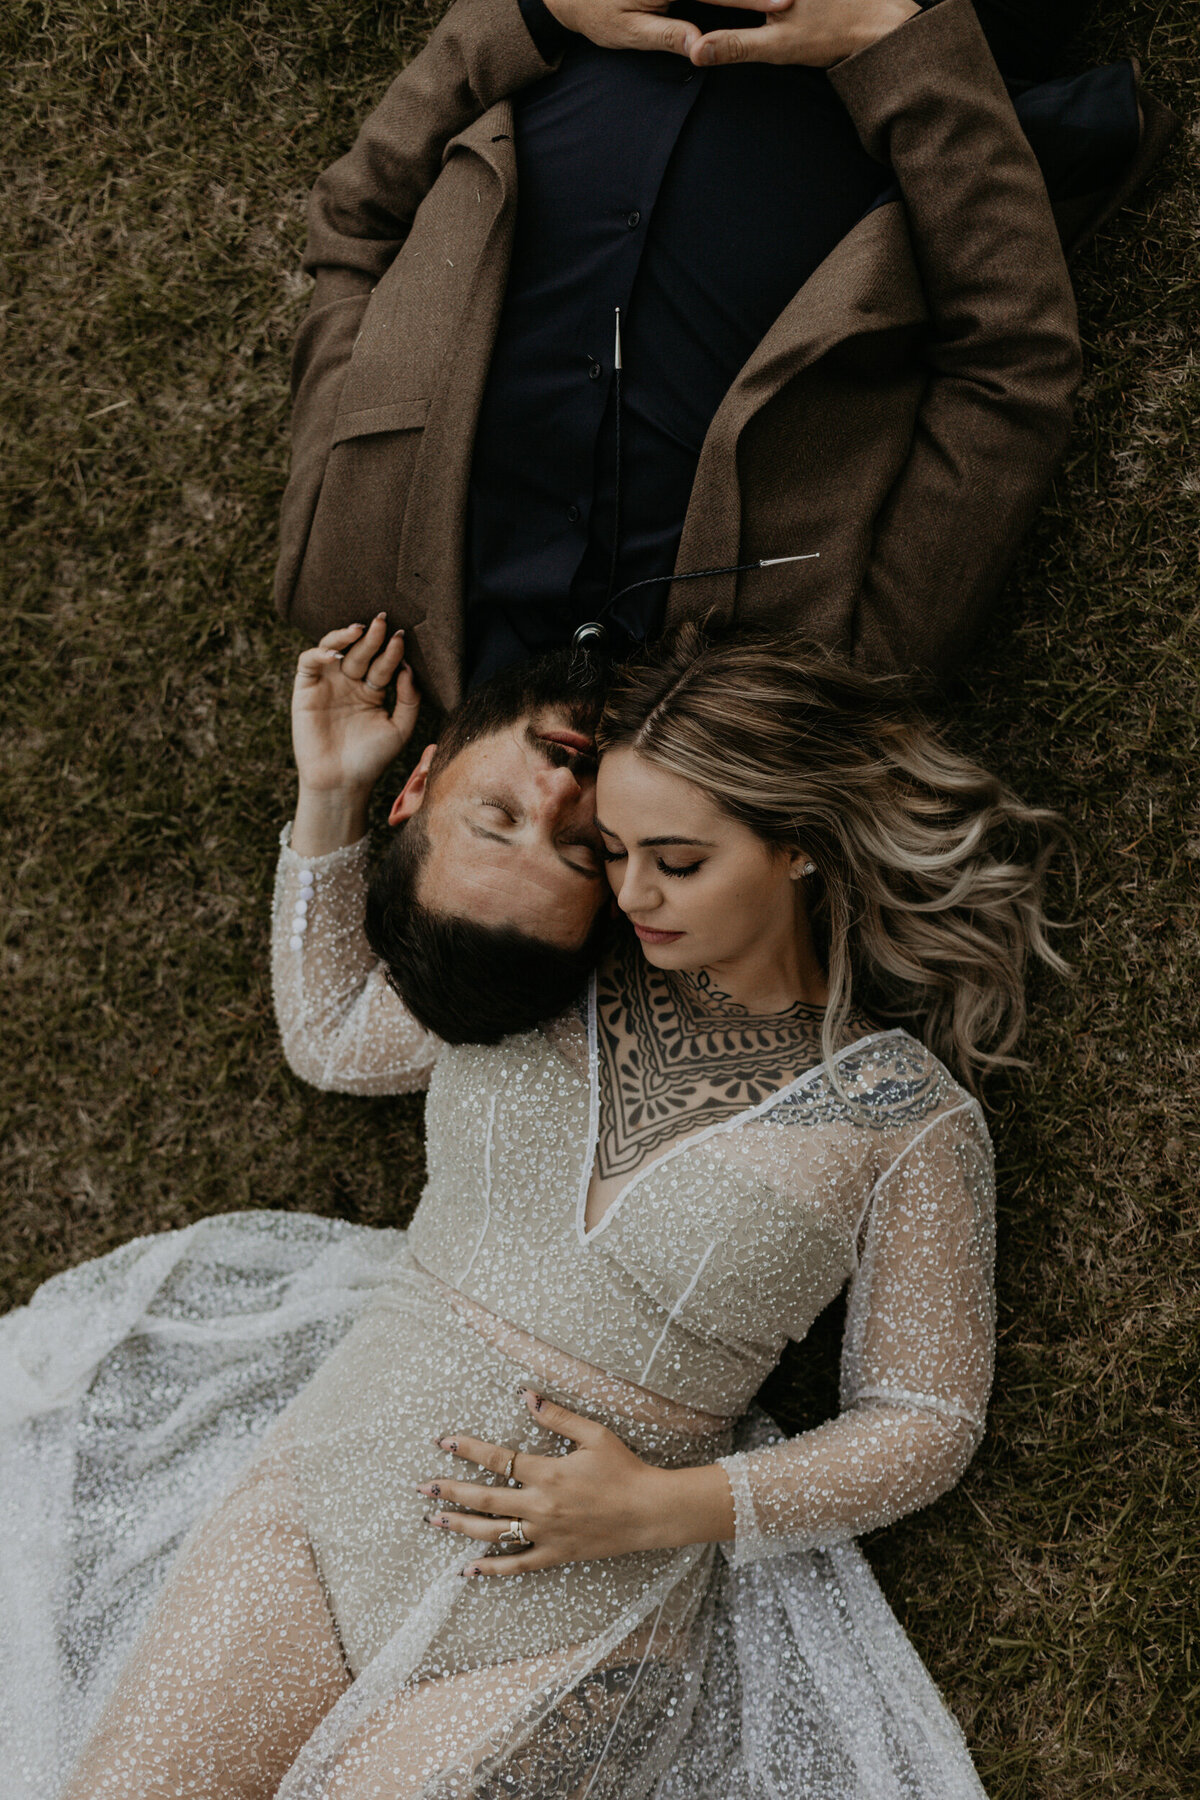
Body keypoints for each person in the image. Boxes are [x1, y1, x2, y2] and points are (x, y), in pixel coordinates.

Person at [4, 624, 1065, 1798]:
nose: (631, 892)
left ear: (799, 849)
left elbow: (923, 1419)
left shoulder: (904, 1122)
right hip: (322, 1510)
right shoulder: (558, 968)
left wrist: (670, 1506)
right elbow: (340, 1037)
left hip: (562, 1631)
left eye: (678, 860)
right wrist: (332, 793)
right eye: (610, 850)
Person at [274, 0, 1167, 709]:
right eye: (586, 855)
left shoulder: (345, 578)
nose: (558, 801)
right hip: (928, 39)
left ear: (419, 787)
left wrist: (535, 14)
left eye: (500, 820)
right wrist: (895, 43)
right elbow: (1012, 371)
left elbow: (356, 224)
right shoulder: (822, 685)